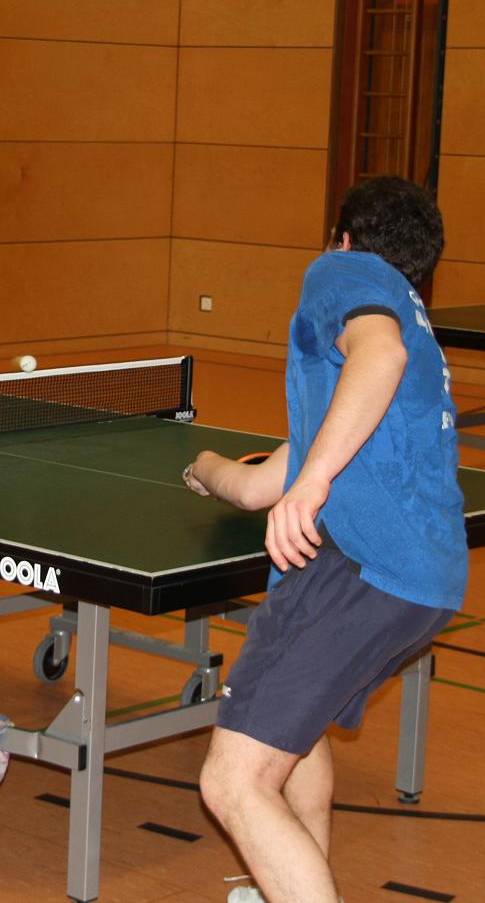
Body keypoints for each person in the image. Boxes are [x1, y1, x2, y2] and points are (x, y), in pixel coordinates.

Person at [182, 176, 466, 903]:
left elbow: (379, 358)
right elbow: (259, 485)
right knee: (294, 740)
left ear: (343, 238)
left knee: (233, 780)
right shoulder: (402, 328)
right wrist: (205, 467)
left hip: (359, 568)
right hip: (423, 580)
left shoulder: (343, 274)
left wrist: (311, 486)